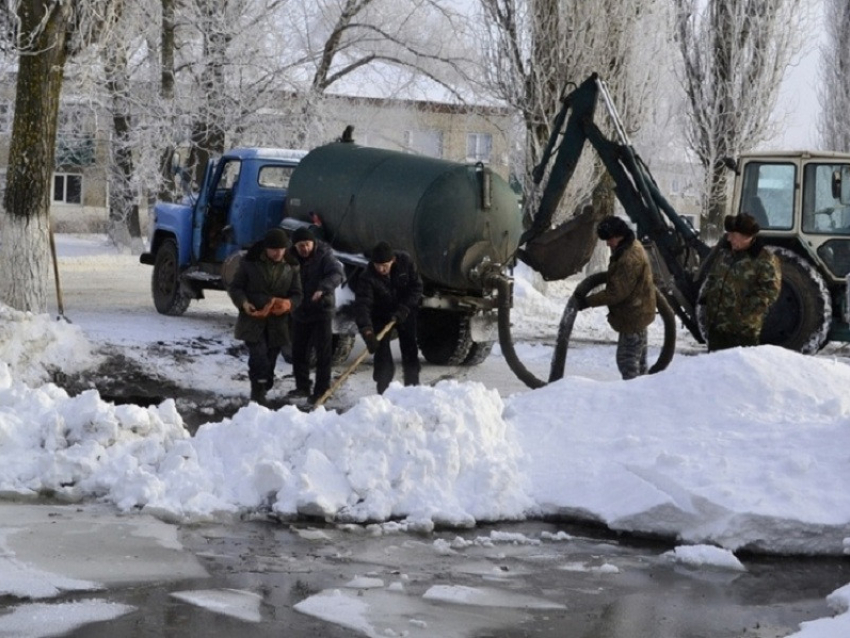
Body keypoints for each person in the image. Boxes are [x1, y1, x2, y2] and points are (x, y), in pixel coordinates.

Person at [228, 227, 302, 405]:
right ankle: (257, 394)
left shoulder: (292, 266)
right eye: (274, 249)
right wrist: (244, 303)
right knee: (258, 356)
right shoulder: (250, 262)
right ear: (266, 249)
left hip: (278, 323)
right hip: (253, 319)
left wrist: (289, 304)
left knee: (270, 360)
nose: (278, 253)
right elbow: (236, 287)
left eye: (282, 249)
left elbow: (298, 294)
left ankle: (264, 381)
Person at [576, 216, 656, 380]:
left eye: (609, 239)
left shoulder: (628, 258)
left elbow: (615, 293)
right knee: (638, 365)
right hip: (636, 314)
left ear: (619, 235)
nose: (607, 243)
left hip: (633, 317)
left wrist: (586, 302)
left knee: (627, 363)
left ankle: (631, 397)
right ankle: (640, 394)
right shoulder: (629, 247)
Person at [700, 213, 782, 351]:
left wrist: (742, 313)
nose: (729, 238)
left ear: (746, 237)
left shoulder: (765, 260)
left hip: (742, 332)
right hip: (716, 328)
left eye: (733, 235)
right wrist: (707, 299)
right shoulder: (724, 253)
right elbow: (713, 277)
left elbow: (769, 292)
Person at [354, 241, 424, 394]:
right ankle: (383, 392)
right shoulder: (367, 276)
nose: (381, 269)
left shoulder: (405, 262)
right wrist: (367, 332)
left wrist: (405, 308)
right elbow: (362, 306)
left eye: (385, 265)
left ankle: (413, 389)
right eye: (377, 265)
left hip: (405, 311)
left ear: (393, 260)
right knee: (382, 355)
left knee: (409, 349)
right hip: (381, 314)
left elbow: (417, 287)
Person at [289, 226, 344, 403]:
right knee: (298, 351)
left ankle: (322, 389)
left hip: (321, 310)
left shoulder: (325, 256)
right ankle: (302, 386)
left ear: (313, 243)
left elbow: (337, 274)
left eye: (306, 244)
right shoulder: (290, 258)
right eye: (300, 246)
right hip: (300, 311)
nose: (304, 249)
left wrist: (323, 288)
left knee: (323, 353)